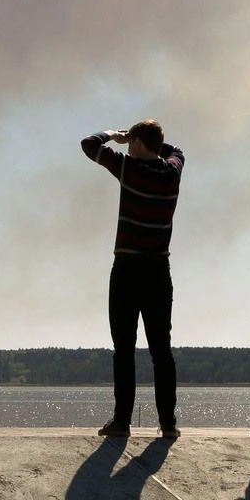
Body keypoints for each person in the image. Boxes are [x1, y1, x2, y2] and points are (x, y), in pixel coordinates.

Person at [81, 120, 185, 440]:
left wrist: (114, 135)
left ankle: (122, 421)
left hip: (127, 269)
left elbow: (89, 144)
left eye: (132, 141)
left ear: (137, 142)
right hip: (158, 271)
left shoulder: (130, 168)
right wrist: (151, 143)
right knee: (161, 350)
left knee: (124, 349)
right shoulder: (171, 173)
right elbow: (177, 152)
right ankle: (168, 422)